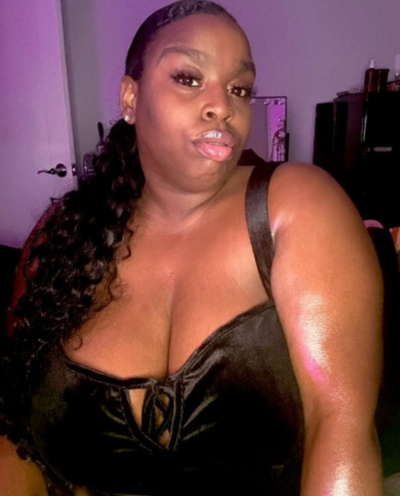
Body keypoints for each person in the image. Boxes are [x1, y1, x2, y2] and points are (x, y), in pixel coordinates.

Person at [0, 1, 384, 495]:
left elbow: (342, 430)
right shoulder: (62, 238)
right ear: (130, 98)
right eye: (188, 78)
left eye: (239, 88)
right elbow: (18, 439)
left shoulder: (295, 207)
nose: (223, 105)